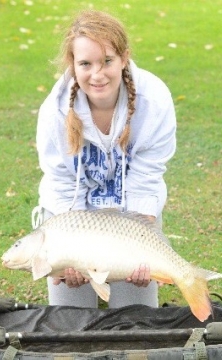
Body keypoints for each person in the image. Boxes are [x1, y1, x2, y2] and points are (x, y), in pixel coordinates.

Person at [31, 9, 177, 308]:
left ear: (124, 58)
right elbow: (60, 181)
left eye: (107, 61)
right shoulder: (54, 112)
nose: (97, 74)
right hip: (70, 218)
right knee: (68, 323)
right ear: (72, 65)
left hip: (132, 216)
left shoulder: (155, 100)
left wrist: (140, 243)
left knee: (136, 321)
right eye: (85, 63)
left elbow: (147, 177)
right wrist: (68, 252)